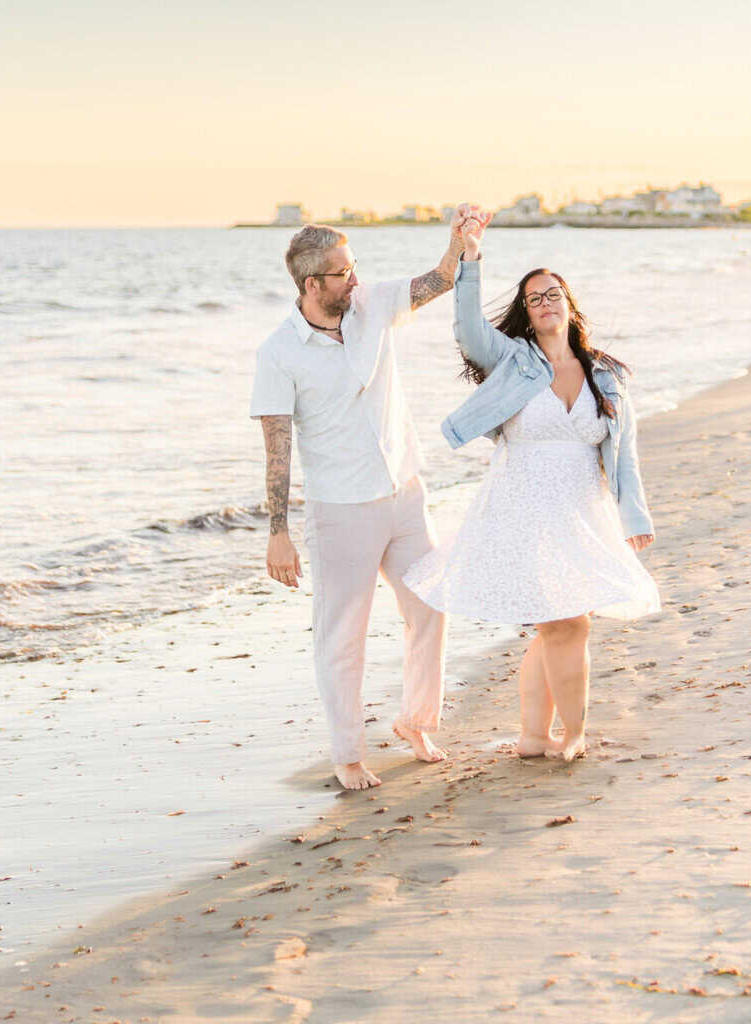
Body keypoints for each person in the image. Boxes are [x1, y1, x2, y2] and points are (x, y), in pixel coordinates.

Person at [406, 209, 658, 763]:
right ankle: (574, 734)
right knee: (565, 621)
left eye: (553, 295)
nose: (545, 304)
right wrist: (470, 255)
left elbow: (624, 455)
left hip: (579, 509)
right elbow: (469, 331)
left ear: (569, 305)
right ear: (527, 311)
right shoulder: (513, 361)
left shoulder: (604, 375)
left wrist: (633, 517)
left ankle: (532, 738)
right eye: (534, 299)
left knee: (563, 624)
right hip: (521, 505)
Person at [249, 218, 469, 790]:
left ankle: (416, 721)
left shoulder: (371, 305)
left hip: (404, 493)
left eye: (354, 266)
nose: (355, 279)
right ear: (310, 285)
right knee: (342, 635)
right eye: (342, 273)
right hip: (340, 511)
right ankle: (347, 754)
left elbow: (439, 280)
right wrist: (278, 531)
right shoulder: (278, 353)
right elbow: (278, 446)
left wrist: (462, 239)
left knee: (429, 606)